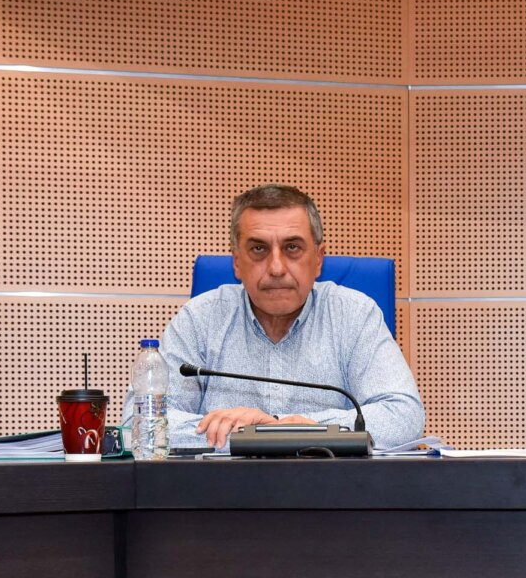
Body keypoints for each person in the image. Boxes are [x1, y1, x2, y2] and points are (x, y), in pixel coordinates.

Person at [157, 185, 424, 450]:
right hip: (222, 479)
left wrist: (287, 427)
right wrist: (263, 435)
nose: (276, 268)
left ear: (318, 259)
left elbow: (404, 417)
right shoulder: (199, 318)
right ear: (237, 262)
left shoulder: (354, 315)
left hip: (329, 477)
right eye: (259, 249)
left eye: (292, 247)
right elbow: (148, 422)